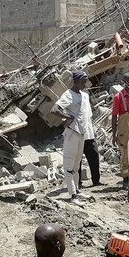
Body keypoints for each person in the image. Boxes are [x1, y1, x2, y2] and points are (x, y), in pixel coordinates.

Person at [51, 70, 94, 206]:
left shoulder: (84, 96)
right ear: (75, 81)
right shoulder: (68, 95)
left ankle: (77, 189)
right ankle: (72, 194)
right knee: (69, 164)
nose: (85, 84)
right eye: (83, 81)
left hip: (82, 133)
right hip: (72, 132)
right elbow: (54, 110)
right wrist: (67, 117)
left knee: (77, 164)